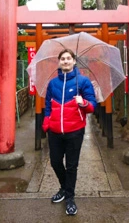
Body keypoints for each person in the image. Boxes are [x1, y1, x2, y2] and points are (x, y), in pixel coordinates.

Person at [41, 49, 97, 217]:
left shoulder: (84, 82)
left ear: (74, 61)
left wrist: (83, 102)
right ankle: (65, 188)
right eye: (62, 59)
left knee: (72, 166)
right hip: (55, 131)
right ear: (59, 62)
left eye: (68, 58)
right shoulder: (52, 84)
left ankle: (70, 198)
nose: (65, 61)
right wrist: (47, 121)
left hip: (75, 131)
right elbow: (48, 105)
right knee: (55, 162)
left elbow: (92, 106)